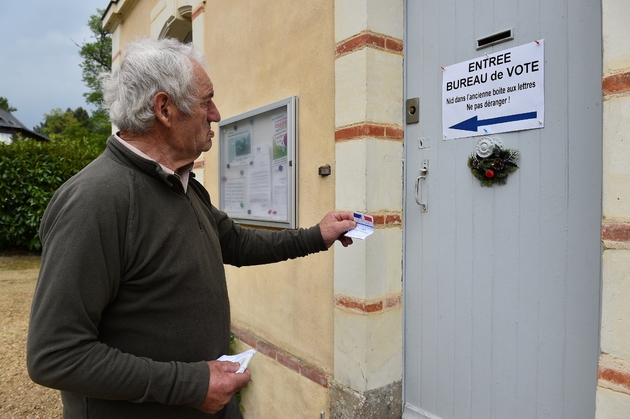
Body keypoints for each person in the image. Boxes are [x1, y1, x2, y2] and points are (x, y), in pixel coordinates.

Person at [26, 37, 356, 419]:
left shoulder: (183, 185)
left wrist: (317, 235)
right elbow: (55, 355)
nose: (216, 114)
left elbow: (237, 244)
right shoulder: (95, 201)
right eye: (206, 101)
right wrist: (191, 385)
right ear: (164, 108)